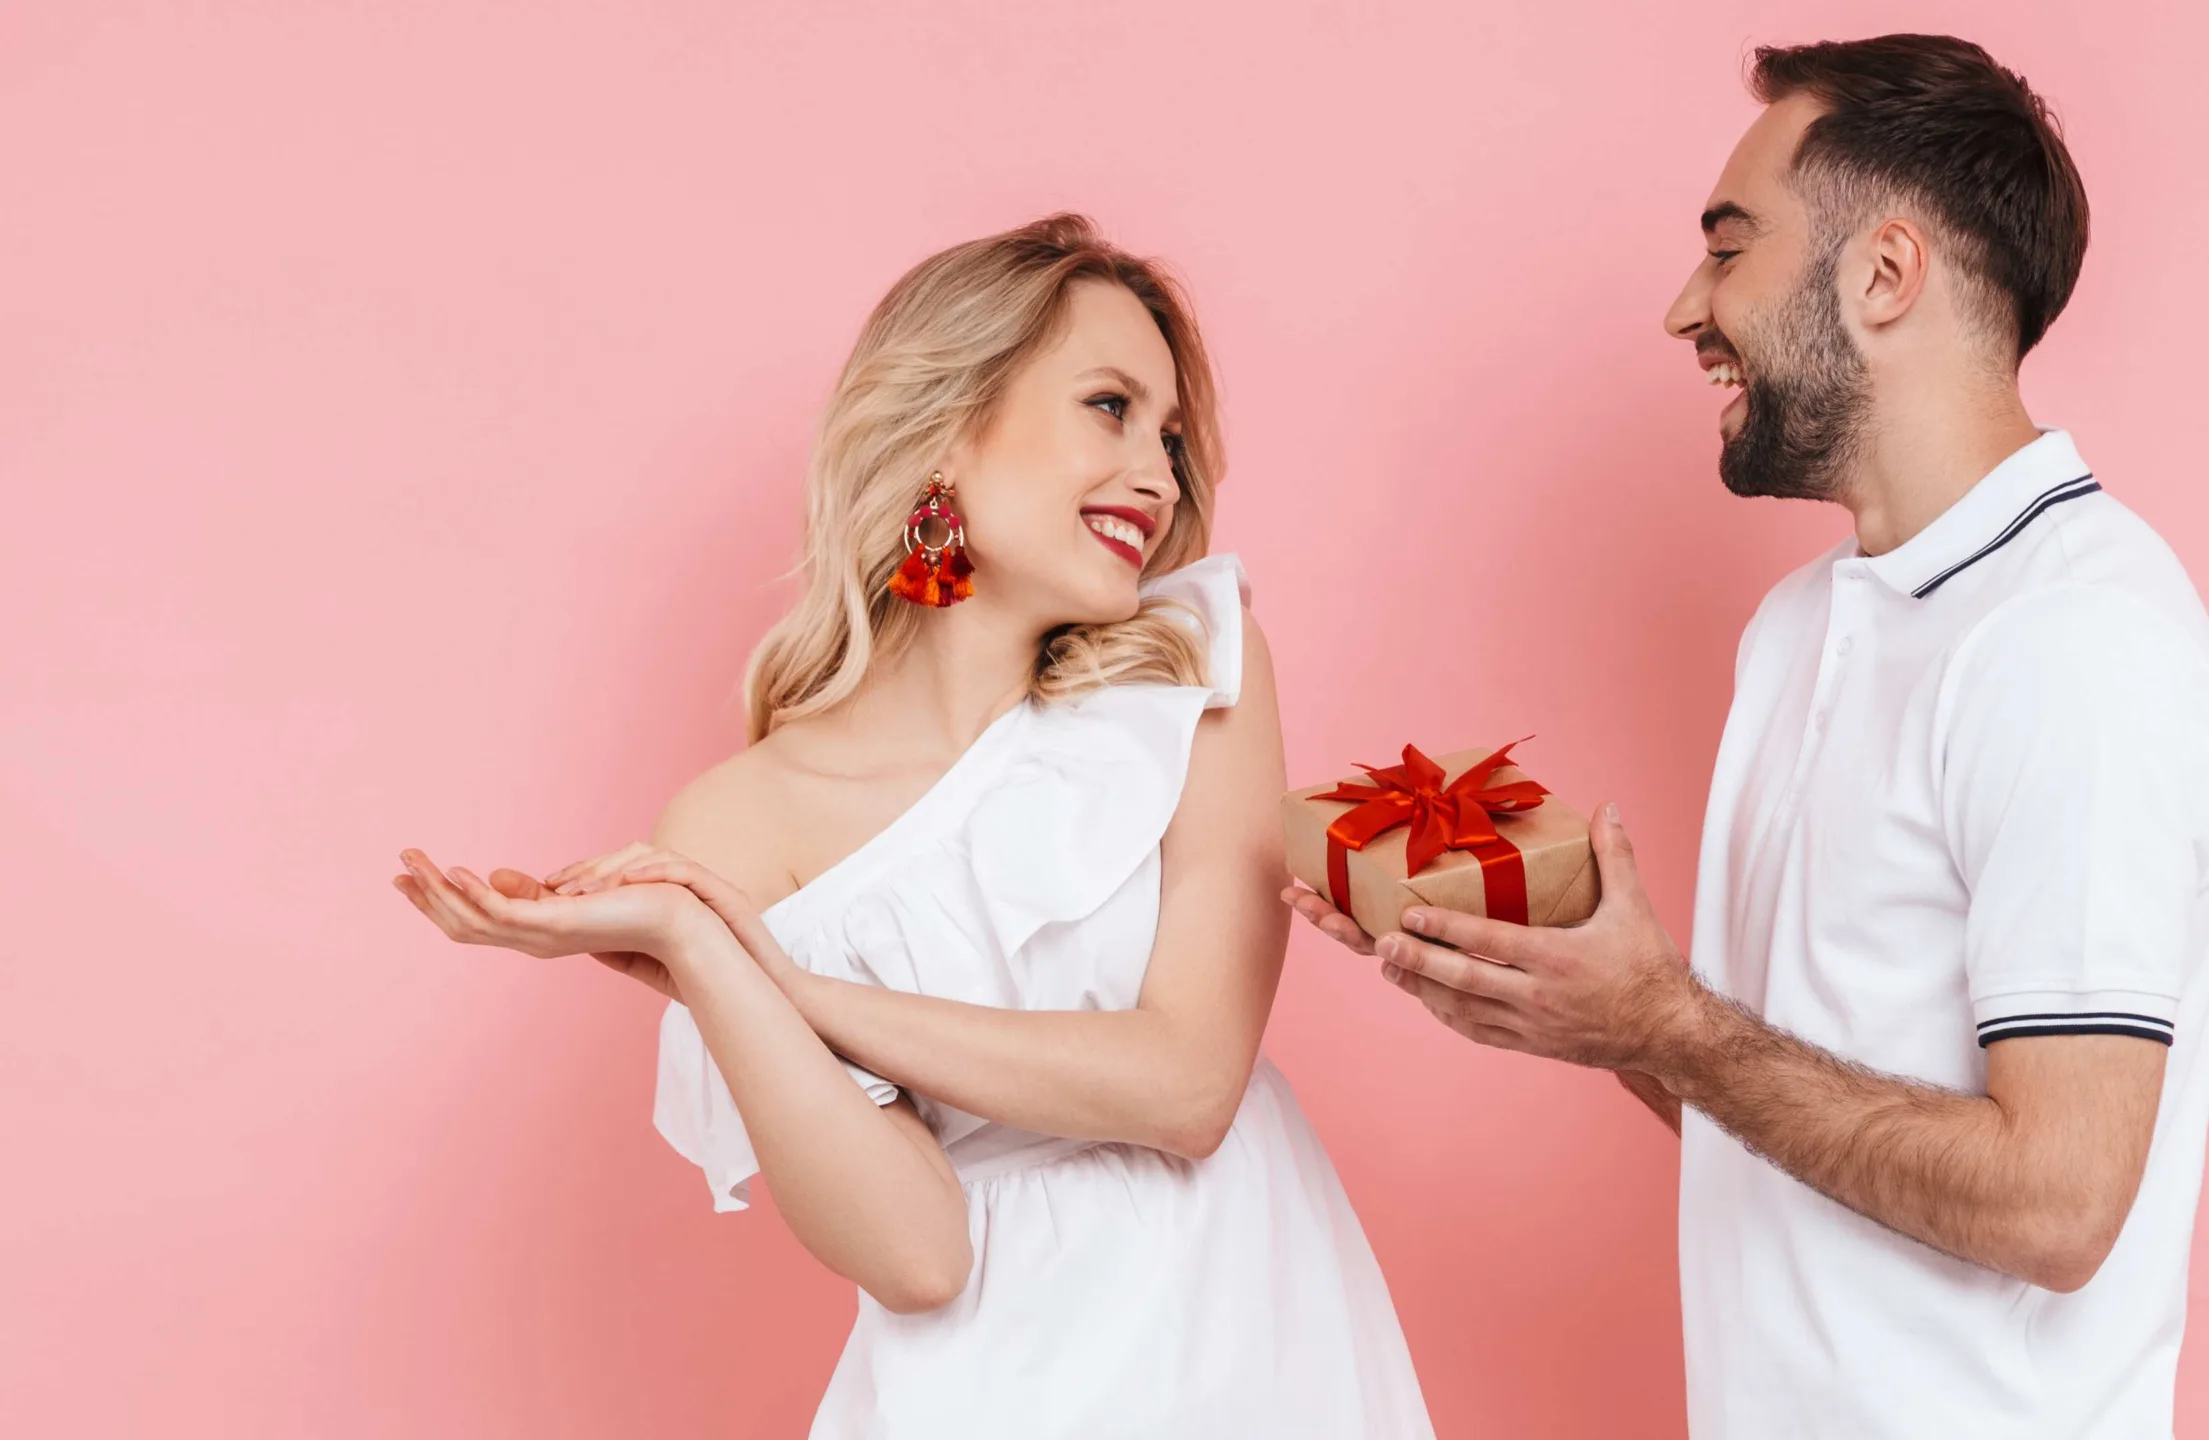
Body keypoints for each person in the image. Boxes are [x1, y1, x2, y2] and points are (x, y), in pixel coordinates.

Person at [1287, 34, 2209, 1438]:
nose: (1687, 305)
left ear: (1884, 274)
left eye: (1730, 247)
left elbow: (2058, 1201)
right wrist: (1579, 1009)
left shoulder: (2076, 643)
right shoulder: (1800, 627)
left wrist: (1667, 1021)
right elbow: (1812, 1129)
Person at [394, 215, 1436, 1439]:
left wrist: (800, 989)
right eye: (1108, 407)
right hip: (978, 1388)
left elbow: (1192, 1085)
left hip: (1248, 1335)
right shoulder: (739, 823)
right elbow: (917, 1255)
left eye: (1168, 435)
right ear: (948, 426)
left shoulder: (1189, 673)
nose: (1158, 476)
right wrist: (706, 961)